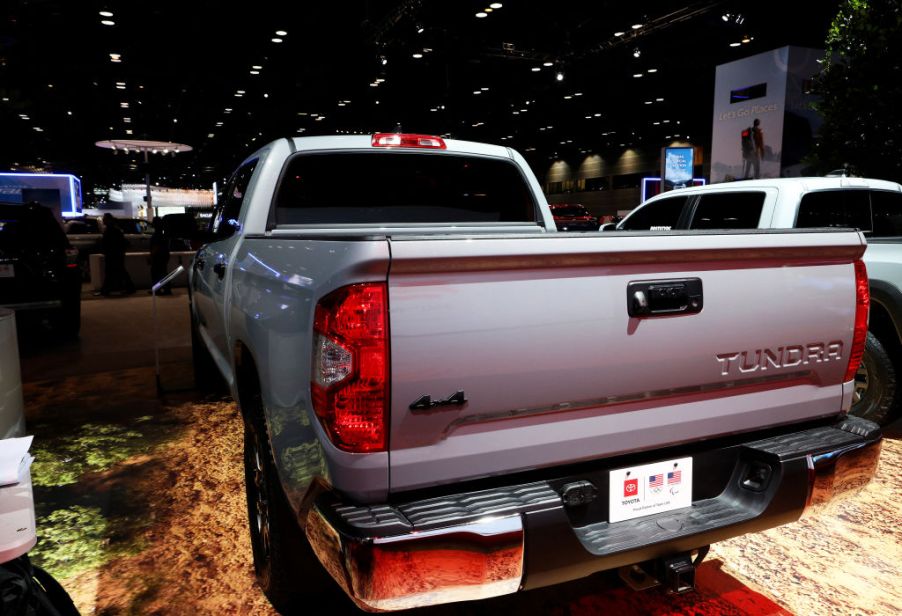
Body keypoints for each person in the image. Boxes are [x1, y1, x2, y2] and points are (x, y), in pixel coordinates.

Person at [98, 213, 134, 295]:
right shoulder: (114, 230)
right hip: (116, 254)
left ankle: (106, 289)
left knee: (112, 271)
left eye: (104, 219)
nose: (103, 220)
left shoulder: (111, 230)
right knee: (119, 270)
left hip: (113, 254)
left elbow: (110, 243)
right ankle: (128, 287)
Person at [148, 216, 172, 295]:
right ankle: (166, 289)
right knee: (163, 273)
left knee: (156, 273)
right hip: (164, 256)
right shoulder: (163, 234)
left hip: (158, 257)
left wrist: (151, 256)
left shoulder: (156, 235)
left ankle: (158, 289)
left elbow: (156, 247)